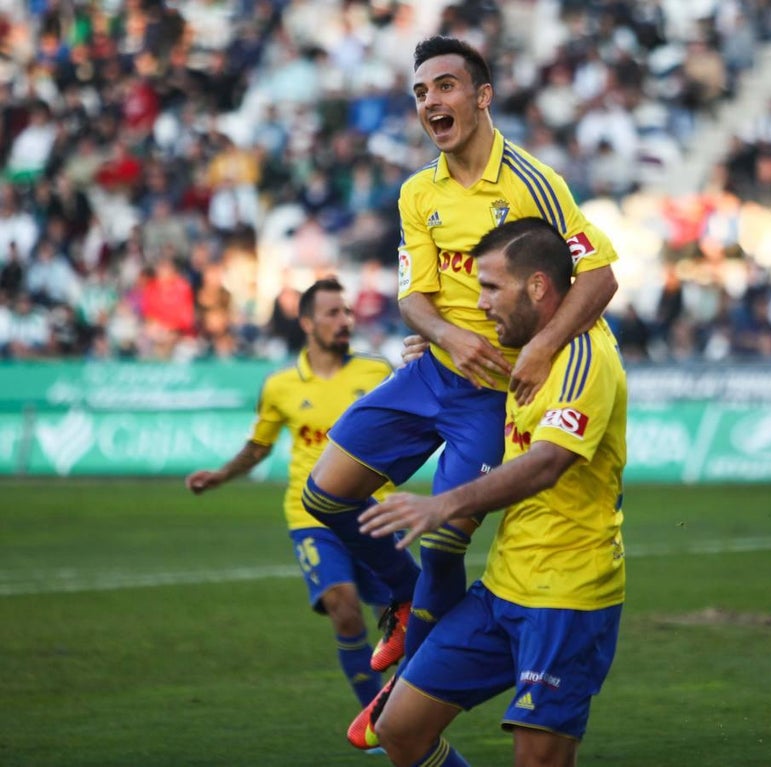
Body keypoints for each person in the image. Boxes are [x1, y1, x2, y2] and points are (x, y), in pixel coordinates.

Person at [302, 34, 619, 716]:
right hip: (433, 374)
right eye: (419, 92)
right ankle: (404, 597)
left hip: (494, 395)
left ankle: (410, 679)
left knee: (446, 538)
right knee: (324, 494)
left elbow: (599, 274)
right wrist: (444, 335)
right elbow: (413, 294)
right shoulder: (419, 192)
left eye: (444, 86)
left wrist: (540, 350)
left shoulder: (534, 182)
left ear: (481, 97)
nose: (429, 102)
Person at [355, 217, 627, 767]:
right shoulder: (522, 350)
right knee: (399, 731)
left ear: (537, 287)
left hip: (565, 598)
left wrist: (443, 505)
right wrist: (431, 350)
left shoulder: (584, 357)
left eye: (490, 288)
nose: (479, 303)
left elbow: (547, 463)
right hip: (502, 590)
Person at [185, 278, 421, 708]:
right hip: (310, 516)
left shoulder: (376, 372)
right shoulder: (280, 386)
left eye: (347, 312)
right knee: (342, 604)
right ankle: (373, 716)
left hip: (372, 512)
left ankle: (399, 713)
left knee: (406, 622)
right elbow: (260, 446)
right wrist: (221, 475)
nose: (344, 320)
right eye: (333, 313)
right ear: (308, 322)